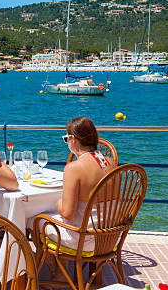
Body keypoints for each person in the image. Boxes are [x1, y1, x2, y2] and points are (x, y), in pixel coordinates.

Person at [33, 116, 116, 280]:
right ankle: (90, 275)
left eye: (66, 139)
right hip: (109, 238)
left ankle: (59, 275)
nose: (67, 143)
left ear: (74, 139)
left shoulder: (74, 168)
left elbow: (68, 213)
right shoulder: (111, 163)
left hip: (83, 239)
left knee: (34, 221)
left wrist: (57, 203)